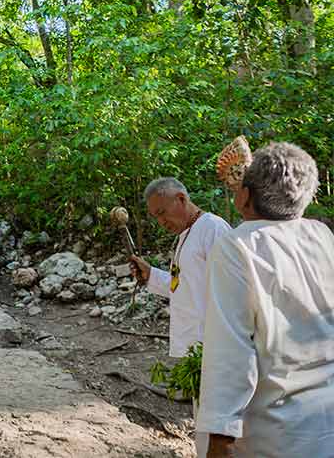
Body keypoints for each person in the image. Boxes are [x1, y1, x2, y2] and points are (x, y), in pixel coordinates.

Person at [197, 142, 334, 458]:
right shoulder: (322, 236)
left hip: (275, 434)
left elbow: (229, 349)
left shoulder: (238, 246)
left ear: (244, 195)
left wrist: (219, 436)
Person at [128, 177, 230, 456]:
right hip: (197, 350)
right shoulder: (186, 235)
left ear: (181, 199)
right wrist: (151, 275)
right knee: (204, 424)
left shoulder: (213, 229)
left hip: (217, 347)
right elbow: (183, 288)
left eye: (162, 212)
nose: (160, 221)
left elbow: (233, 291)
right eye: (154, 216)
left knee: (218, 428)